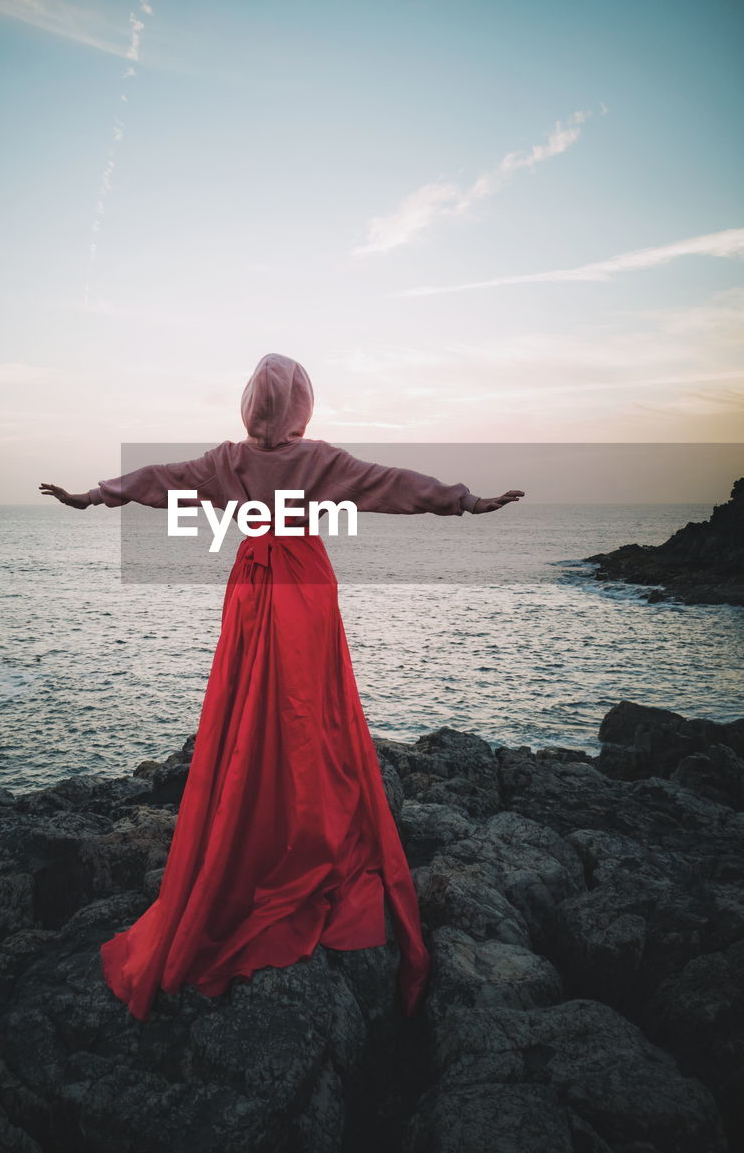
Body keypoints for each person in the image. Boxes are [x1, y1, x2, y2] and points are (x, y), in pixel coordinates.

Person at [40, 352, 524, 1022]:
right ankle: (304, 832)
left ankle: (250, 825)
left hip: (254, 586)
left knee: (250, 716)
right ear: (302, 405)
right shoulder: (319, 460)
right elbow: (392, 485)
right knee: (309, 718)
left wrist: (94, 493)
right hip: (303, 587)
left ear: (251, 406)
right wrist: (466, 501)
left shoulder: (225, 462)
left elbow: (158, 480)